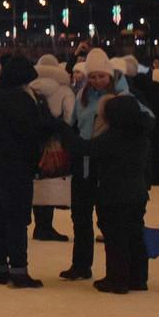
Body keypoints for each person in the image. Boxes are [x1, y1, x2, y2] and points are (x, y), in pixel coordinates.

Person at [60, 95, 152, 293]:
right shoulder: (140, 134)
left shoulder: (115, 136)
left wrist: (64, 131)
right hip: (137, 192)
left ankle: (117, 279)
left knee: (115, 237)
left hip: (114, 194)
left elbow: (85, 148)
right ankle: (138, 278)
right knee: (135, 236)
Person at [0, 55, 54, 289]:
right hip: (15, 169)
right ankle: (19, 270)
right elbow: (30, 135)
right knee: (17, 220)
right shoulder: (22, 100)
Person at [62, 48, 124, 280]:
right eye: (93, 76)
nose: (97, 81)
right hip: (84, 164)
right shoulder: (82, 97)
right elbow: (73, 123)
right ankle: (81, 265)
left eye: (102, 76)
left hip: (108, 166)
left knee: (108, 219)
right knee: (80, 217)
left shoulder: (121, 97)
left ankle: (114, 271)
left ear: (110, 75)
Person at [29, 55, 75, 241]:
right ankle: (46, 225)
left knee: (37, 180)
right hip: (55, 142)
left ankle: (39, 222)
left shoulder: (29, 88)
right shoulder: (64, 90)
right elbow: (70, 117)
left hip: (33, 141)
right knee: (52, 179)